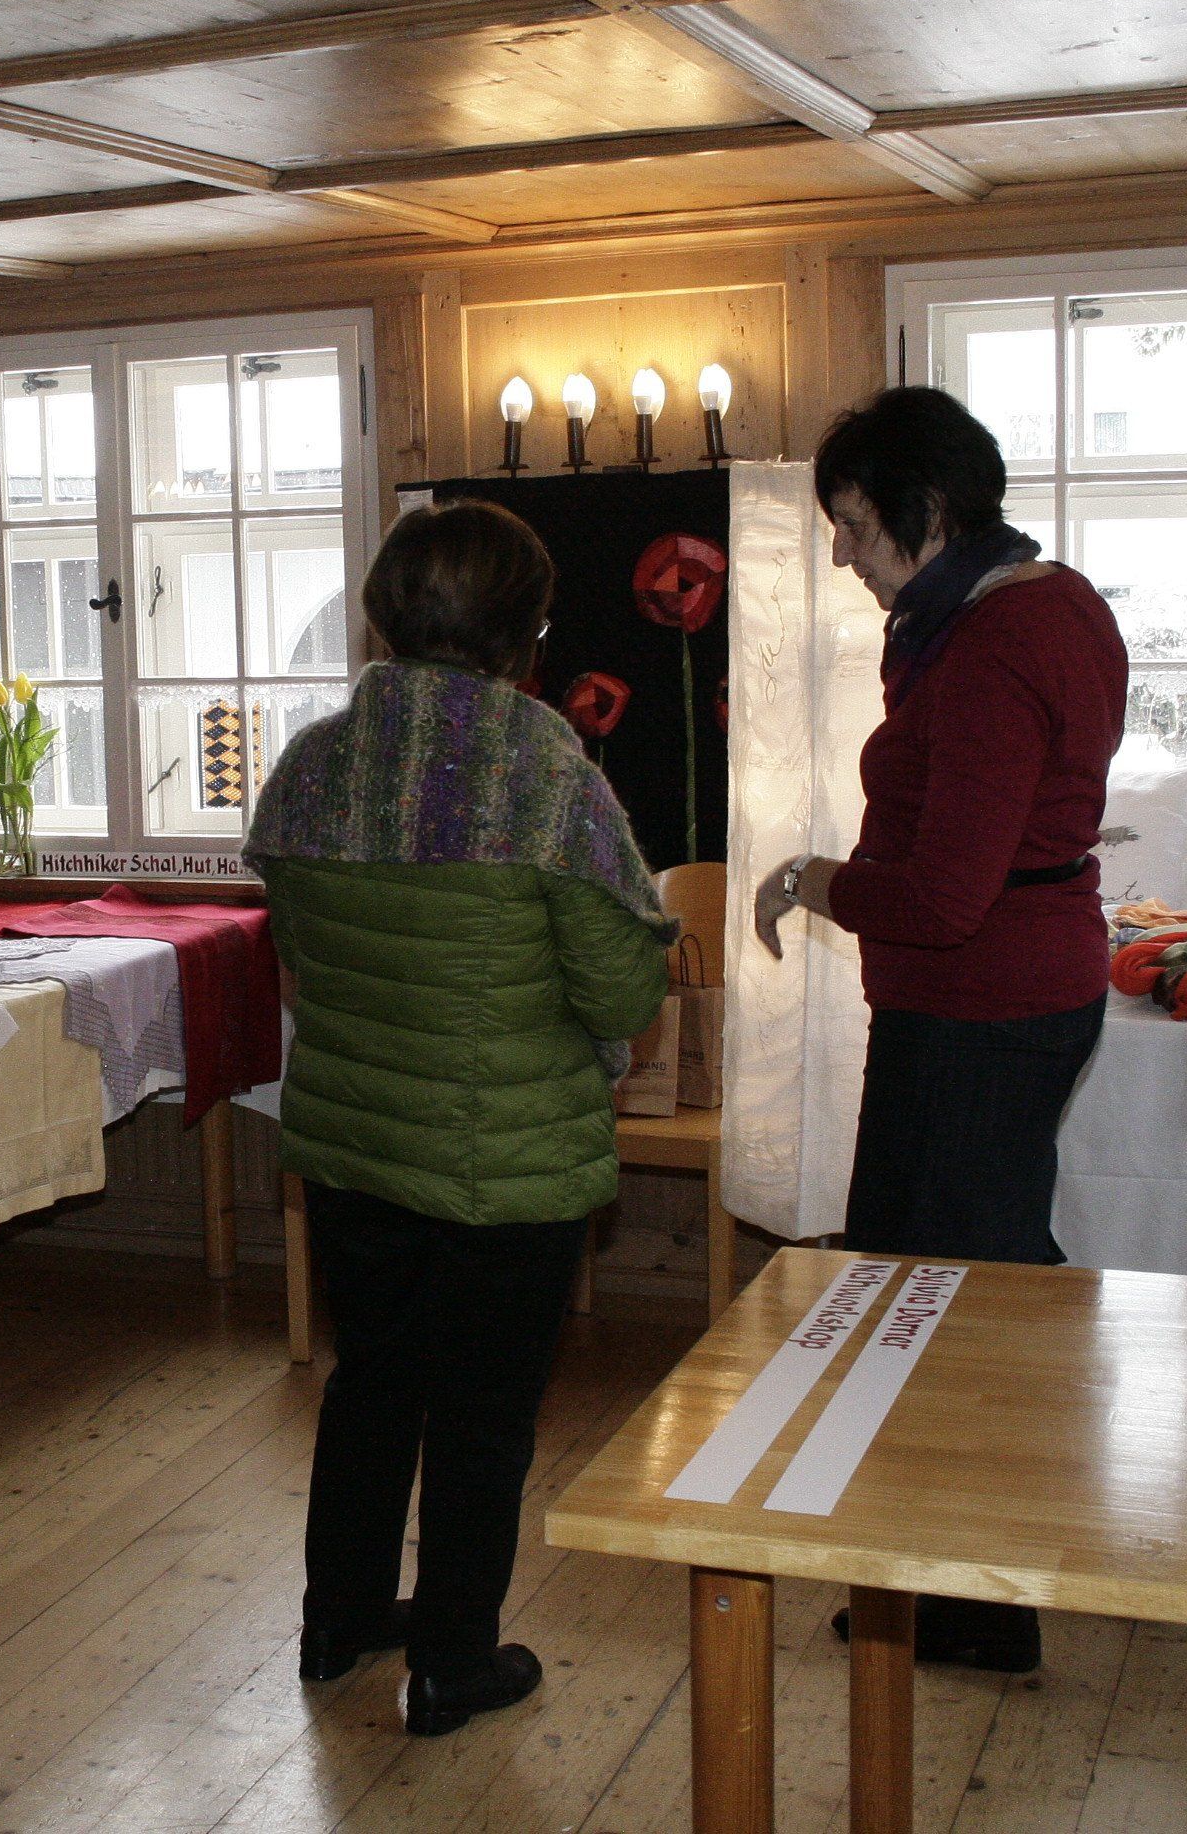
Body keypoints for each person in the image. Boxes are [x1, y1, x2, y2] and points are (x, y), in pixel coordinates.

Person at [245, 499, 672, 1737]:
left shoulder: (310, 764)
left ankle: (336, 1620)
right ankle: (449, 1660)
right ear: (523, 632)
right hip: (504, 1161)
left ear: (385, 616)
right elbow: (620, 991)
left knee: (370, 1383)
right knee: (481, 1416)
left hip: (352, 1144)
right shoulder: (544, 773)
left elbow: (300, 947)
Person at [753, 386, 1128, 1672]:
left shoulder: (986, 646)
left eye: (855, 525)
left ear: (926, 508)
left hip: (978, 1010)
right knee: (963, 1289)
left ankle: (965, 1600)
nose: (841, 554)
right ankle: (954, 1581)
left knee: (935, 1311)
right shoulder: (1043, 601)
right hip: (1011, 995)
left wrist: (811, 878)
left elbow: (941, 898)